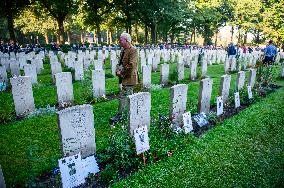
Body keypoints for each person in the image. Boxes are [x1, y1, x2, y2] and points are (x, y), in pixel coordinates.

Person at [110, 32, 139, 124]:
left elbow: (131, 65)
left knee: (123, 96)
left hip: (129, 77)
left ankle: (120, 115)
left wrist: (121, 72)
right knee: (128, 96)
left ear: (126, 40)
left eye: (121, 39)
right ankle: (131, 112)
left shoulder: (133, 50)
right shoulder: (123, 50)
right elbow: (122, 63)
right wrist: (118, 70)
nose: (119, 41)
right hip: (123, 77)